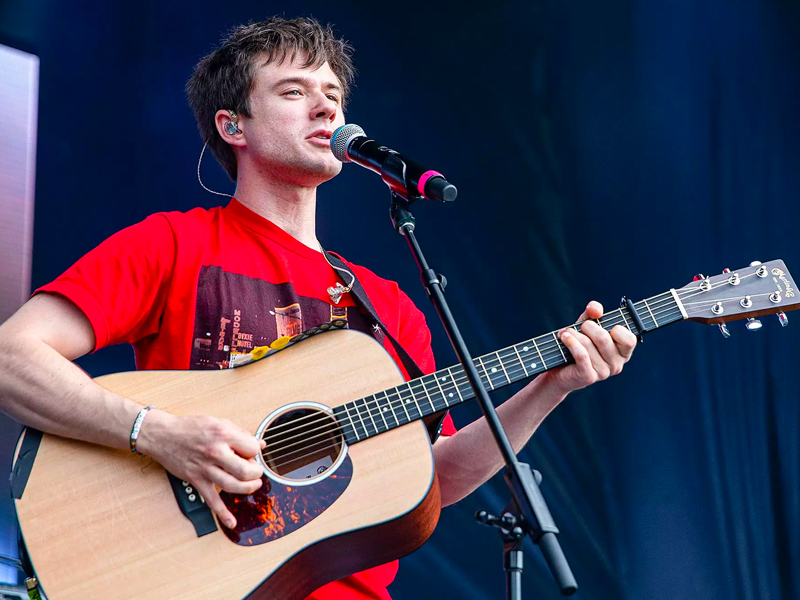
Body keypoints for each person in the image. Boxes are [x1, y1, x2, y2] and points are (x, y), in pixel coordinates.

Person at [0, 16, 637, 600]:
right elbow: (11, 357)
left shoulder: (386, 305)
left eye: (333, 91)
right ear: (233, 125)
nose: (326, 103)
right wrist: (158, 433)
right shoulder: (174, 243)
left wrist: (553, 384)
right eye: (294, 90)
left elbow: (433, 479)